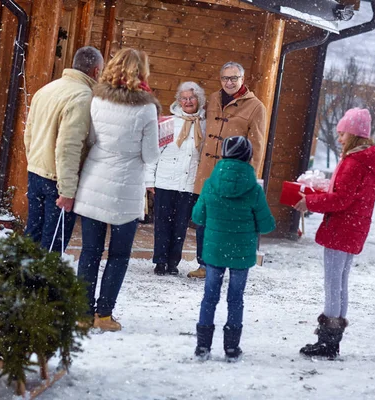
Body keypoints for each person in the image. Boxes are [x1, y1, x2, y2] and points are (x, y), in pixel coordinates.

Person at [73, 48, 160, 332]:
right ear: (141, 71)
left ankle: (83, 314)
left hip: (95, 180)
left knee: (90, 251)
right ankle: (105, 314)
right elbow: (150, 155)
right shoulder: (147, 108)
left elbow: (93, 138)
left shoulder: (97, 98)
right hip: (126, 185)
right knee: (119, 254)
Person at [294, 107, 375, 359]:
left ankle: (327, 342)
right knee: (341, 283)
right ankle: (333, 342)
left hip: (341, 228)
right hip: (355, 228)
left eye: (343, 133)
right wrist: (325, 188)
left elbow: (342, 199)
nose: (340, 138)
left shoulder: (355, 162)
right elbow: (351, 194)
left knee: (333, 284)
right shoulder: (368, 161)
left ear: (354, 134)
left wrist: (310, 202)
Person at [192, 136, 275, 362]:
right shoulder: (254, 189)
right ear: (249, 157)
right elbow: (267, 225)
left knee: (209, 297)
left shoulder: (210, 183)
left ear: (224, 154)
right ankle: (231, 348)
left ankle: (202, 347)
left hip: (214, 251)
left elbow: (197, 216)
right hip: (241, 253)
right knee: (235, 299)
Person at [187, 61, 267, 279]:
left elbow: (257, 147)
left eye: (234, 78)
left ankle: (226, 264)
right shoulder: (212, 99)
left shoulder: (256, 107)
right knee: (204, 219)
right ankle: (204, 265)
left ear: (242, 79)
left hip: (233, 174)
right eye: (225, 78)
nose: (229, 83)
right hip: (207, 172)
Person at [24, 46, 103, 253]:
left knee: (32, 235)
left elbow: (29, 134)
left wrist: (33, 162)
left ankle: (21, 281)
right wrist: (67, 191)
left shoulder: (46, 89)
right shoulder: (83, 97)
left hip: (36, 172)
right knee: (51, 245)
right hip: (58, 180)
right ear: (96, 71)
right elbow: (68, 147)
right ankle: (41, 284)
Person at [145, 82, 206, 276]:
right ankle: (160, 261)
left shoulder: (205, 124)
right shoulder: (168, 122)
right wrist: (150, 180)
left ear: (199, 100)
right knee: (163, 223)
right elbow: (154, 152)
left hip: (189, 184)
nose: (188, 102)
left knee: (181, 225)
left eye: (192, 98)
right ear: (178, 100)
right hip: (165, 180)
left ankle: (173, 262)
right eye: (184, 98)